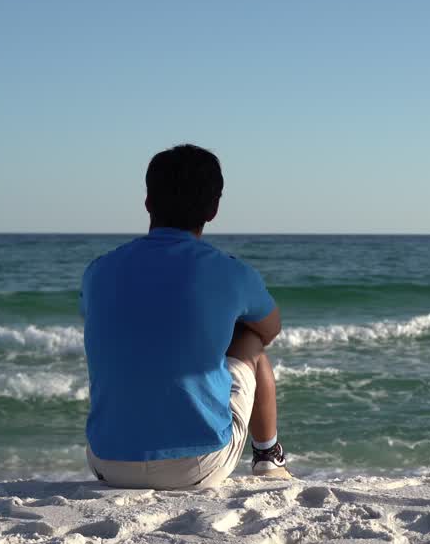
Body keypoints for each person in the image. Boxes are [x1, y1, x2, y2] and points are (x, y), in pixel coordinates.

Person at [80, 143, 290, 488]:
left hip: (107, 463)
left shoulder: (99, 270)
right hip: (198, 466)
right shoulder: (231, 273)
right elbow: (270, 329)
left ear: (148, 202)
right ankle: (268, 456)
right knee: (250, 339)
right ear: (214, 209)